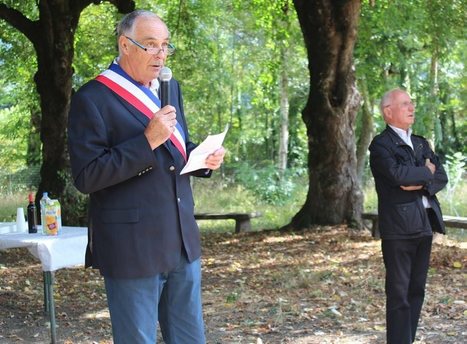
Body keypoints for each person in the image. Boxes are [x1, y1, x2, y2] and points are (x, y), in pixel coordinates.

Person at [68, 10, 225, 344]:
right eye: (151, 45)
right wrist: (145, 142)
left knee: (190, 338)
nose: (161, 54)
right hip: (132, 248)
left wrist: (204, 159)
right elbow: (87, 175)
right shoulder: (91, 98)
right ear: (125, 45)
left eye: (165, 45)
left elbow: (175, 152)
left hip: (181, 242)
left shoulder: (170, 88)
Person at [369, 88, 448, 344]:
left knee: (416, 291)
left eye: (411, 102)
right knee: (399, 294)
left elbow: (440, 176)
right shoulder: (381, 145)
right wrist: (424, 173)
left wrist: (419, 179)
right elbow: (398, 177)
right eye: (404, 104)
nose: (411, 107)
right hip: (398, 228)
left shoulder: (421, 142)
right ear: (388, 112)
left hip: (424, 224)